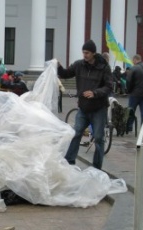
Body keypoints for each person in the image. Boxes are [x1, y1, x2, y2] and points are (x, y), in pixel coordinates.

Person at [57, 40, 113, 170]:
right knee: (76, 134)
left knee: (99, 138)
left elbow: (109, 86)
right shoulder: (79, 65)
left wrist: (95, 93)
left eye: (87, 53)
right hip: (83, 108)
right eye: (83, 52)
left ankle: (96, 167)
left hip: (98, 108)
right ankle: (69, 162)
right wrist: (59, 67)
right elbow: (66, 74)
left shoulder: (104, 67)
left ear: (93, 53)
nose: (85, 55)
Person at [126, 54, 143, 132]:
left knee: (131, 111)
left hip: (135, 94)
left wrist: (129, 90)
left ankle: (129, 127)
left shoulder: (133, 68)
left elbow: (128, 81)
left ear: (135, 60)